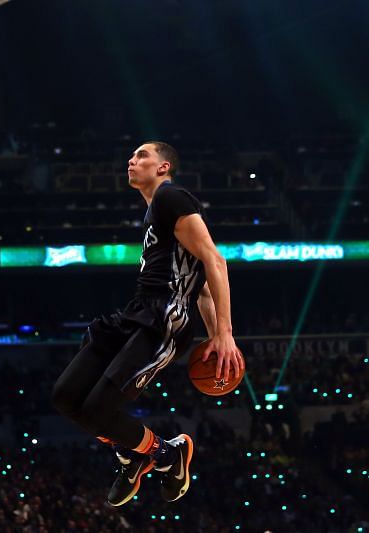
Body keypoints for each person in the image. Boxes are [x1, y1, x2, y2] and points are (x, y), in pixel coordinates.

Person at [52, 141, 244, 506]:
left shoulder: (173, 198)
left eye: (142, 155)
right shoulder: (157, 210)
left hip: (163, 320)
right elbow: (201, 289)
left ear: (163, 167)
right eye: (132, 155)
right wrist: (211, 330)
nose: (131, 160)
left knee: (96, 411)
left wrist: (223, 334)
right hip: (137, 312)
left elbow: (215, 261)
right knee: (65, 397)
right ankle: (137, 453)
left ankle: (169, 457)